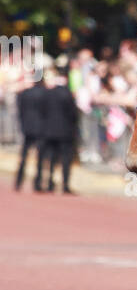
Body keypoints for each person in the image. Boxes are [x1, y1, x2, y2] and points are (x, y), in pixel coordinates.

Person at [36, 63, 79, 193]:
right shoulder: (67, 94)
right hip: (65, 131)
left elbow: (42, 111)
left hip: (49, 130)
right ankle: (65, 184)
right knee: (66, 159)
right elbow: (73, 114)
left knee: (51, 157)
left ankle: (49, 182)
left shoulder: (48, 93)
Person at [15, 71, 46, 190]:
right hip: (40, 128)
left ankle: (18, 181)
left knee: (24, 156)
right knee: (40, 157)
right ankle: (37, 183)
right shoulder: (44, 94)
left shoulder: (24, 93)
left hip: (27, 127)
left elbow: (20, 111)